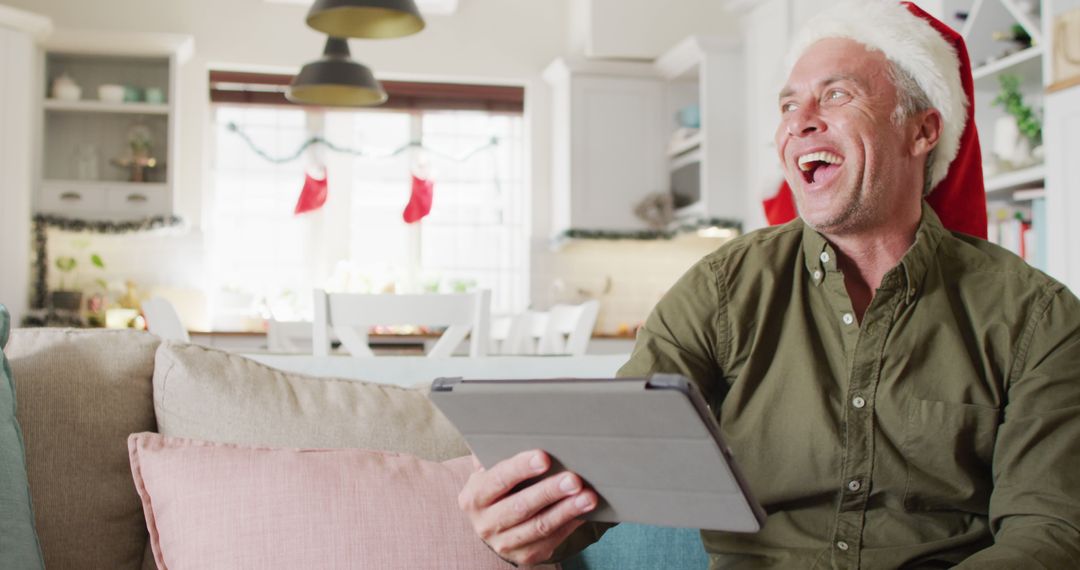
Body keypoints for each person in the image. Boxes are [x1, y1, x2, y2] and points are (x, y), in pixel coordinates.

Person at [457, 1, 1080, 568]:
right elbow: (620, 456)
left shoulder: (1036, 317)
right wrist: (529, 519)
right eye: (788, 105)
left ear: (921, 131)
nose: (799, 122)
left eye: (836, 96)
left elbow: (1048, 531)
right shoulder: (720, 290)